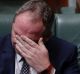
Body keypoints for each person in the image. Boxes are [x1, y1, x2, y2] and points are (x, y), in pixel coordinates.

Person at [0, 0, 80, 74]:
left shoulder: (67, 53)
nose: (17, 42)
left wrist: (48, 70)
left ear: (46, 37)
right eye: (16, 33)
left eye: (26, 40)